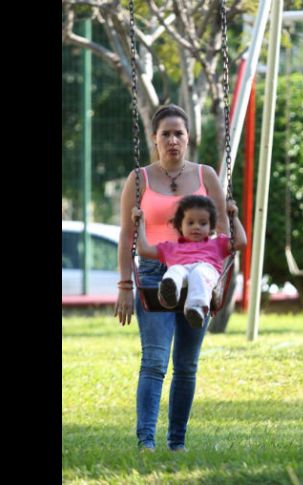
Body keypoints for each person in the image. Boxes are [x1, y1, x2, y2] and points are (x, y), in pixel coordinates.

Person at [114, 104, 232, 452]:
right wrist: (124, 285)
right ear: (154, 139)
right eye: (165, 134)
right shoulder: (140, 179)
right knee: (153, 360)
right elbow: (126, 235)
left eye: (178, 133)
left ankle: (176, 442)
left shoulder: (205, 175)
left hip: (198, 274)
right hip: (153, 274)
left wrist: (219, 279)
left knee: (186, 364)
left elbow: (224, 228)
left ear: (188, 137)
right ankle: (146, 441)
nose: (172, 140)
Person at [132, 195, 247, 327]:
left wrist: (234, 217)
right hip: (183, 277)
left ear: (211, 226)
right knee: (175, 270)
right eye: (190, 222)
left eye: (203, 223)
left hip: (206, 273)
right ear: (180, 225)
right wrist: (139, 224)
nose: (196, 227)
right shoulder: (170, 247)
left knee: (199, 272)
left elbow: (241, 243)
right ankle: (170, 292)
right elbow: (144, 250)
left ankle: (196, 308)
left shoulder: (217, 243)